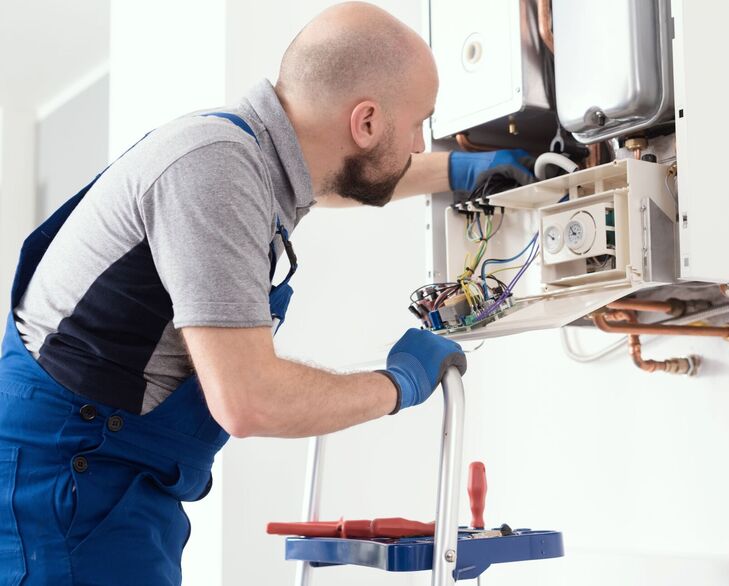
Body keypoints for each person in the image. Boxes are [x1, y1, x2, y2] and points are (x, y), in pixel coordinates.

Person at [0, 2, 531, 584]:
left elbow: (344, 184)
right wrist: (398, 384)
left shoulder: (243, 155)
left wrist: (459, 172)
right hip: (65, 492)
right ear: (366, 123)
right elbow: (248, 400)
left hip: (103, 482)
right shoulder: (216, 170)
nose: (421, 143)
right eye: (418, 125)